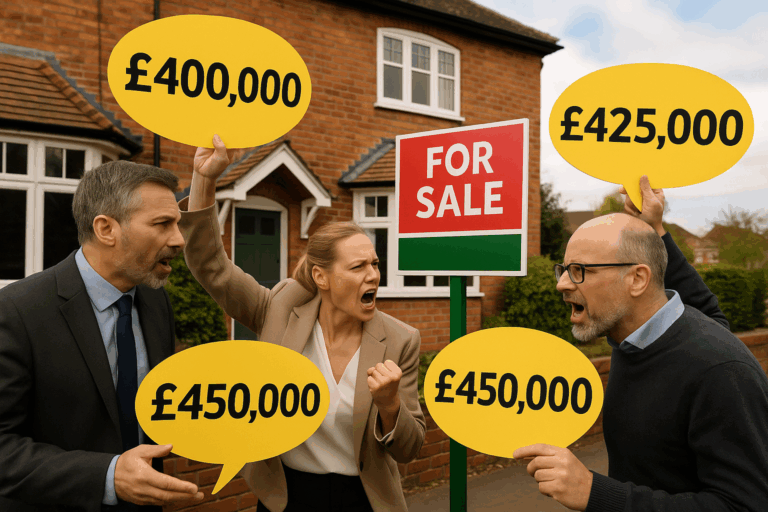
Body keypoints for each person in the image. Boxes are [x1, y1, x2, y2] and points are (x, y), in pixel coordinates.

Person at [178, 134, 425, 512]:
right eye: (358, 267)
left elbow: (409, 449)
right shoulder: (279, 307)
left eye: (374, 264)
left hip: (362, 499)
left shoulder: (400, 339)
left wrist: (391, 405)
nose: (373, 275)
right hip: (287, 496)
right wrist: (204, 179)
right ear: (321, 278)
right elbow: (212, 267)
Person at [514, 176, 768, 511]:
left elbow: (744, 505)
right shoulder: (641, 336)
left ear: (637, 279)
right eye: (564, 269)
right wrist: (655, 228)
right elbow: (707, 314)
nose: (562, 284)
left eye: (579, 271)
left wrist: (595, 493)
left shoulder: (719, 372)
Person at [0, 161, 205, 511]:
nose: (178, 239)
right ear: (106, 229)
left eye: (177, 224)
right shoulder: (16, 310)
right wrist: (107, 476)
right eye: (162, 224)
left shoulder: (156, 301)